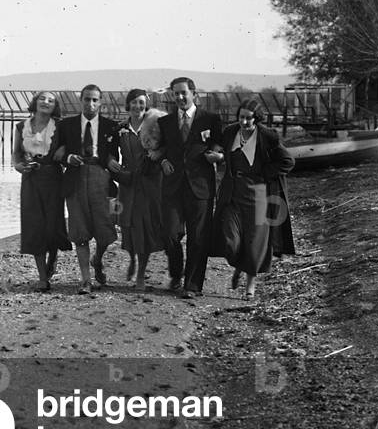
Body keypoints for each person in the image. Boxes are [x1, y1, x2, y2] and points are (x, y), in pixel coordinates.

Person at [213, 98, 296, 299]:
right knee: (230, 241)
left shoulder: (268, 136)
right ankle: (238, 267)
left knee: (255, 243)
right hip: (233, 192)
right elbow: (218, 149)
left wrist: (264, 172)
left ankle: (250, 285)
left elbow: (288, 161)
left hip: (259, 194)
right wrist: (218, 157)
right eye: (241, 117)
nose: (244, 122)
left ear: (256, 119)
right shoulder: (230, 132)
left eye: (249, 118)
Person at [152, 77, 224, 299]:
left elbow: (219, 144)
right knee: (170, 233)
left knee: (198, 237)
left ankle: (192, 286)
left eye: (184, 93)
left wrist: (218, 154)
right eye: (176, 94)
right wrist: (162, 161)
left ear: (194, 93)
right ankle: (176, 273)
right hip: (173, 185)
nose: (180, 97)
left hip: (201, 185)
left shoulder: (210, 119)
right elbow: (160, 149)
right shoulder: (165, 122)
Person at [55, 84, 120, 293]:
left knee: (105, 229)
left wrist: (111, 163)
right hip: (75, 179)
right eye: (86, 99)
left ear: (100, 102)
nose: (90, 104)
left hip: (101, 180)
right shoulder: (67, 125)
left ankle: (97, 259)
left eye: (94, 100)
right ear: (80, 100)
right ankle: (85, 280)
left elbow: (114, 156)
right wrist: (68, 157)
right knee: (79, 231)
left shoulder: (111, 126)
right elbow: (57, 152)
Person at [11, 91, 72, 290]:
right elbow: (16, 155)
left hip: (53, 178)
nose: (46, 102)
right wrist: (19, 166)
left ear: (55, 106)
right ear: (35, 102)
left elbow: (72, 146)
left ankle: (53, 256)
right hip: (31, 179)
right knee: (34, 226)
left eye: (51, 100)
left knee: (52, 225)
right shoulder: (21, 126)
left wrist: (65, 149)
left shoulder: (61, 127)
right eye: (43, 98)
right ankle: (43, 277)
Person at [107, 89, 165, 288]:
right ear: (128, 105)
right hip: (127, 183)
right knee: (127, 225)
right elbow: (110, 153)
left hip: (149, 182)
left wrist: (159, 155)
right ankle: (132, 257)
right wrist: (111, 161)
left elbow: (166, 147)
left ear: (146, 104)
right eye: (134, 103)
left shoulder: (155, 125)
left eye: (141, 103)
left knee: (145, 227)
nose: (137, 106)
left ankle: (141, 273)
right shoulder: (120, 128)